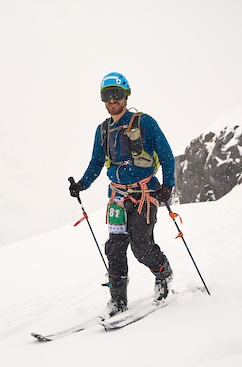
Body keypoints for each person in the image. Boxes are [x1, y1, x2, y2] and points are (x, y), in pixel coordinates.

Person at [69, 72, 176, 318]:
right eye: (106, 95)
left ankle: (163, 273)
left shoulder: (145, 122)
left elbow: (166, 155)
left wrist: (167, 185)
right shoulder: (103, 130)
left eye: (116, 94)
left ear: (126, 96)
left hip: (144, 194)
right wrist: (82, 185)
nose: (112, 100)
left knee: (141, 246)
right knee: (115, 248)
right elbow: (97, 162)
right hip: (117, 197)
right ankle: (117, 300)